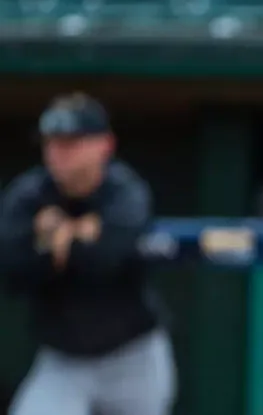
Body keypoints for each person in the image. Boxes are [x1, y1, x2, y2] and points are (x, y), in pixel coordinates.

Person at [0, 93, 175, 415]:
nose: (58, 153)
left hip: (133, 358)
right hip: (63, 361)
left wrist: (54, 238)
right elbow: (12, 269)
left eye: (71, 142)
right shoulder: (28, 194)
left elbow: (105, 258)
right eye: (52, 143)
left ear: (104, 145)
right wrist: (73, 236)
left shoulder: (124, 191)